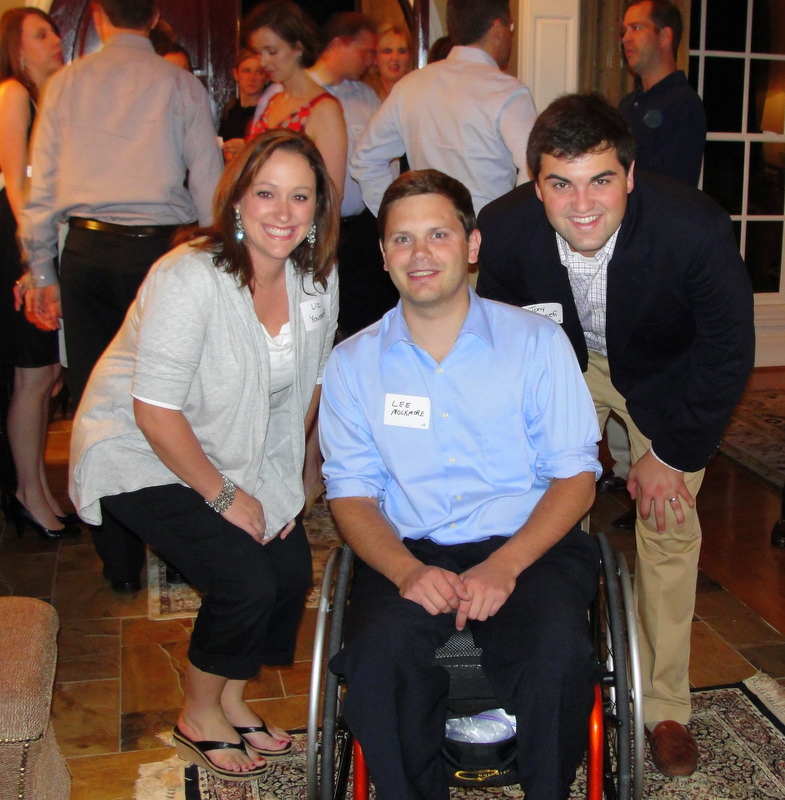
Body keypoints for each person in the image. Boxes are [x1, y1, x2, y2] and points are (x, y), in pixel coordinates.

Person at [476, 93, 755, 778]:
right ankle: (552, 676)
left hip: (665, 373)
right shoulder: (503, 230)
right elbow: (500, 345)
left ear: (629, 175)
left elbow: (727, 352)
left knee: (668, 520)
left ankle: (665, 706)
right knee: (540, 516)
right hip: (560, 366)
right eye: (560, 184)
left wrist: (670, 455)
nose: (581, 205)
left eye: (600, 180)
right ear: (535, 183)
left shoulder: (694, 228)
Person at [319, 169, 603, 800]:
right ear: (384, 255)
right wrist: (404, 572)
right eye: (402, 239)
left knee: (558, 656)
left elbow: (575, 476)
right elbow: (351, 493)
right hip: (410, 549)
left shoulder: (536, 343)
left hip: (529, 544)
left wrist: (505, 565)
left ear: (472, 245)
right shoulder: (352, 364)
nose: (420, 254)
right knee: (378, 664)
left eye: (439, 234)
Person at [69, 128, 340, 781]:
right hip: (139, 448)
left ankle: (232, 701)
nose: (282, 211)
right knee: (243, 578)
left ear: (317, 209)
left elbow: (309, 387)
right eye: (266, 193)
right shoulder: (190, 277)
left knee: (287, 569)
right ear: (237, 200)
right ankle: (197, 715)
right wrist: (223, 496)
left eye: (299, 196)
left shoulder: (316, 282)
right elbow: (154, 411)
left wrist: (286, 480)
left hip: (235, 441)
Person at [20, 0, 223, 591]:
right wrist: (219, 267)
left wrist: (42, 271)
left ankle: (119, 560)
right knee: (173, 399)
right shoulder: (180, 84)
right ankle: (182, 550)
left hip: (87, 255)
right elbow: (210, 188)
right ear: (154, 15)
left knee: (96, 406)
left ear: (99, 15)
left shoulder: (64, 85)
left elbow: (41, 189)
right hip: (160, 256)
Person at [0, 7, 79, 539]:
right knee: (33, 376)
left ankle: (37, 491)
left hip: (39, 245)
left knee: (48, 375)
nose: (54, 41)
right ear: (17, 49)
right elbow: (17, 184)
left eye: (53, 32)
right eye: (41, 34)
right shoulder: (13, 93)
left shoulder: (48, 99)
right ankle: (27, 495)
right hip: (21, 246)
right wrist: (34, 262)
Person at [350, 0, 536, 218]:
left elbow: (365, 160)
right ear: (498, 28)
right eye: (510, 27)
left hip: (429, 227)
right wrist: (514, 224)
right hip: (488, 228)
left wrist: (400, 217)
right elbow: (534, 168)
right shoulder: (508, 92)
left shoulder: (410, 86)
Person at [308, 12, 398, 338]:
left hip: (363, 230)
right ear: (339, 44)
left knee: (370, 322)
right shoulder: (301, 93)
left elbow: (387, 160)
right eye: (366, 51)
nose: (372, 61)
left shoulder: (366, 96)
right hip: (316, 228)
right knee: (319, 322)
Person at [244, 0, 347, 203]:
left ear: (298, 47)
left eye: (272, 51)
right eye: (258, 53)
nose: (263, 62)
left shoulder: (324, 108)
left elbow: (332, 194)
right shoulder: (273, 100)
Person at [619, 0, 706, 187]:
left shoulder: (683, 104)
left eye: (636, 28)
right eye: (624, 31)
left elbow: (671, 190)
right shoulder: (627, 104)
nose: (625, 38)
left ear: (665, 37)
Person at [218, 49, 268, 157]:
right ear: (236, 74)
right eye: (246, 71)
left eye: (259, 72)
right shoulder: (230, 109)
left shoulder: (271, 111)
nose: (252, 78)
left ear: (266, 77)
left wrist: (248, 147)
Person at [365, 22, 412, 102]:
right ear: (375, 58)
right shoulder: (368, 100)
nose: (395, 58)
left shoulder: (417, 97)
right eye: (387, 51)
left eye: (402, 51)